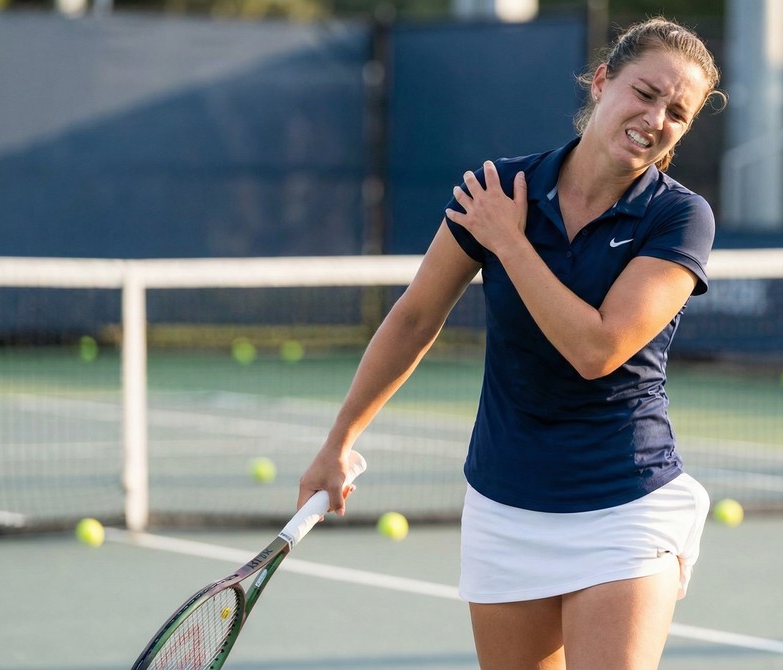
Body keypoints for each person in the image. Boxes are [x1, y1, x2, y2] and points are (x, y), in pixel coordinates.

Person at [297, 18, 724, 670]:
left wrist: (509, 241)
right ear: (603, 81)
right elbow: (414, 318)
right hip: (505, 506)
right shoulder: (499, 189)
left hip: (627, 503)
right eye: (645, 93)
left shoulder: (680, 216)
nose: (655, 118)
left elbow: (598, 350)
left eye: (677, 113)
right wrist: (338, 442)